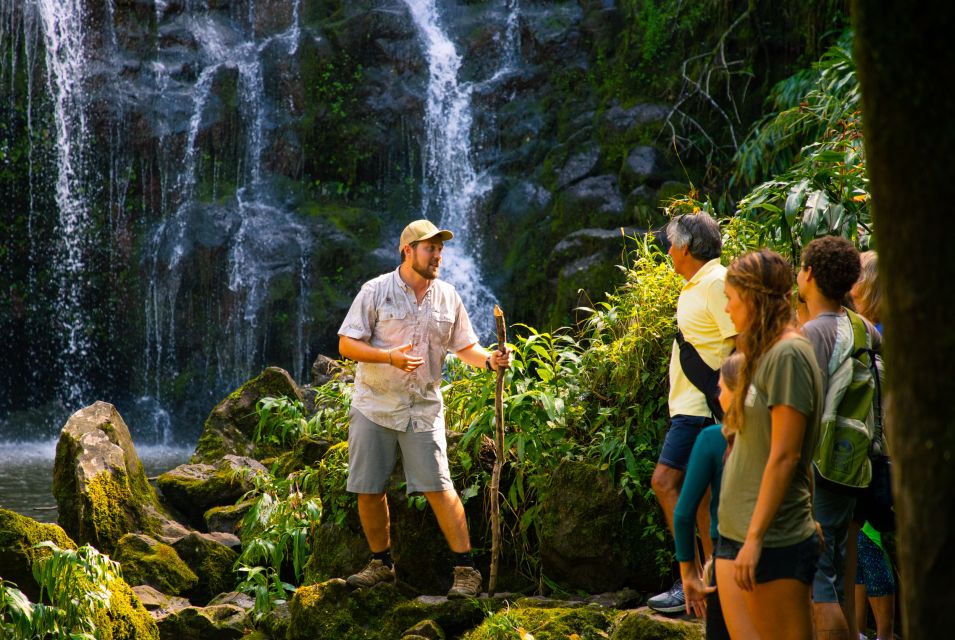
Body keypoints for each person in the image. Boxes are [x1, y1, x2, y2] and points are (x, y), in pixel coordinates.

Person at [337, 219, 510, 598]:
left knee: (439, 487)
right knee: (368, 489)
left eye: (440, 249)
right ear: (408, 251)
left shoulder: (448, 296)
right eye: (430, 248)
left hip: (423, 407)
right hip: (374, 405)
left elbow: (464, 346)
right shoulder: (376, 291)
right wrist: (387, 357)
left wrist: (489, 362)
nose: (437, 255)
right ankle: (380, 565)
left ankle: (466, 571)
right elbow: (347, 345)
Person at [716, 249, 821, 640]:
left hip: (771, 539)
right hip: (738, 533)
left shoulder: (789, 353)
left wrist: (756, 538)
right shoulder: (763, 353)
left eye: (730, 298)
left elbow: (786, 454)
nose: (726, 309)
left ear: (754, 298)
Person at [649, 212, 738, 613]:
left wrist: (732, 402)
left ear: (685, 247)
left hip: (702, 409)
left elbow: (738, 341)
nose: (668, 251)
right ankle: (709, 576)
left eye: (671, 244)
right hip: (690, 406)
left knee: (664, 482)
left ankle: (697, 576)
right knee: (698, 497)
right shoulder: (699, 284)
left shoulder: (716, 283)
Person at [796, 236, 881, 640]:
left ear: (809, 274)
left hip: (821, 465)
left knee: (820, 580)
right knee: (843, 574)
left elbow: (804, 407)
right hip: (856, 463)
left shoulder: (813, 333)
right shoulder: (863, 327)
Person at [674, 353, 756, 639]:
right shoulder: (781, 431)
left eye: (721, 388)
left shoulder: (713, 438)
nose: (718, 394)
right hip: (782, 547)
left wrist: (689, 575)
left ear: (736, 390)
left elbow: (684, 514)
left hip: (730, 556)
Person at [850, 250, 895, 640]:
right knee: (862, 546)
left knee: (868, 543)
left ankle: (882, 634)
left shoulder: (873, 333)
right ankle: (859, 629)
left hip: (877, 453)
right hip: (874, 450)